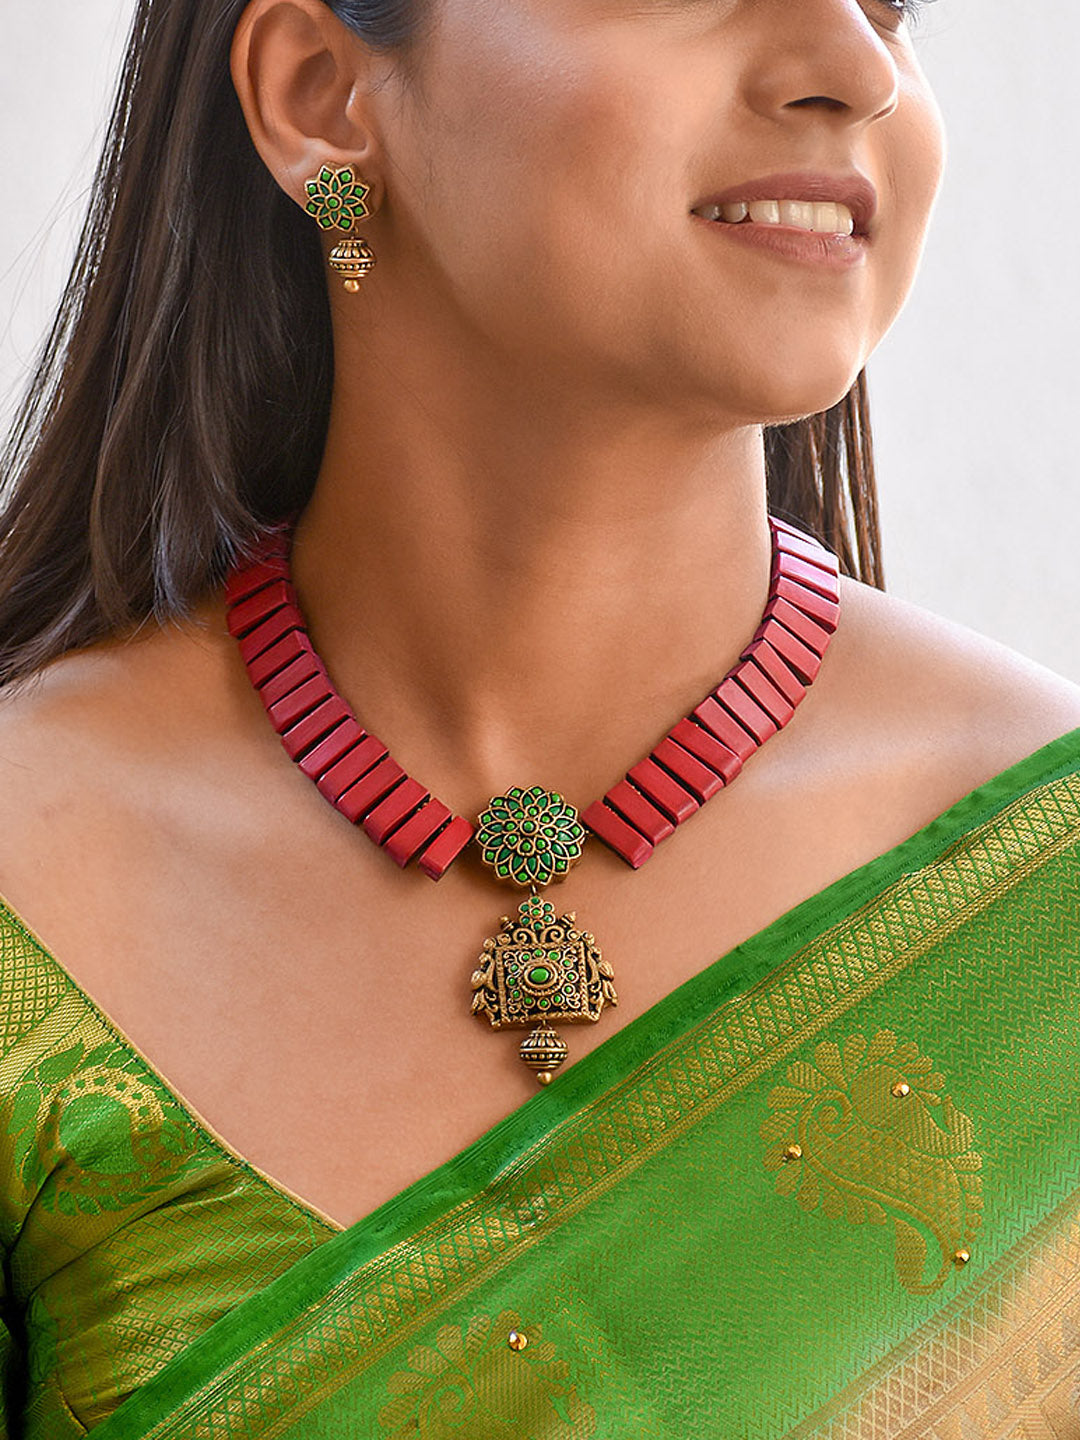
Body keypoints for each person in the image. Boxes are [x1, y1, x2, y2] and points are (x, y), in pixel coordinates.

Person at [0, 0, 1077, 1433]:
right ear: (322, 94)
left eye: (894, 2)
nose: (856, 68)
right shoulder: (34, 883)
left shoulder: (1045, 899)